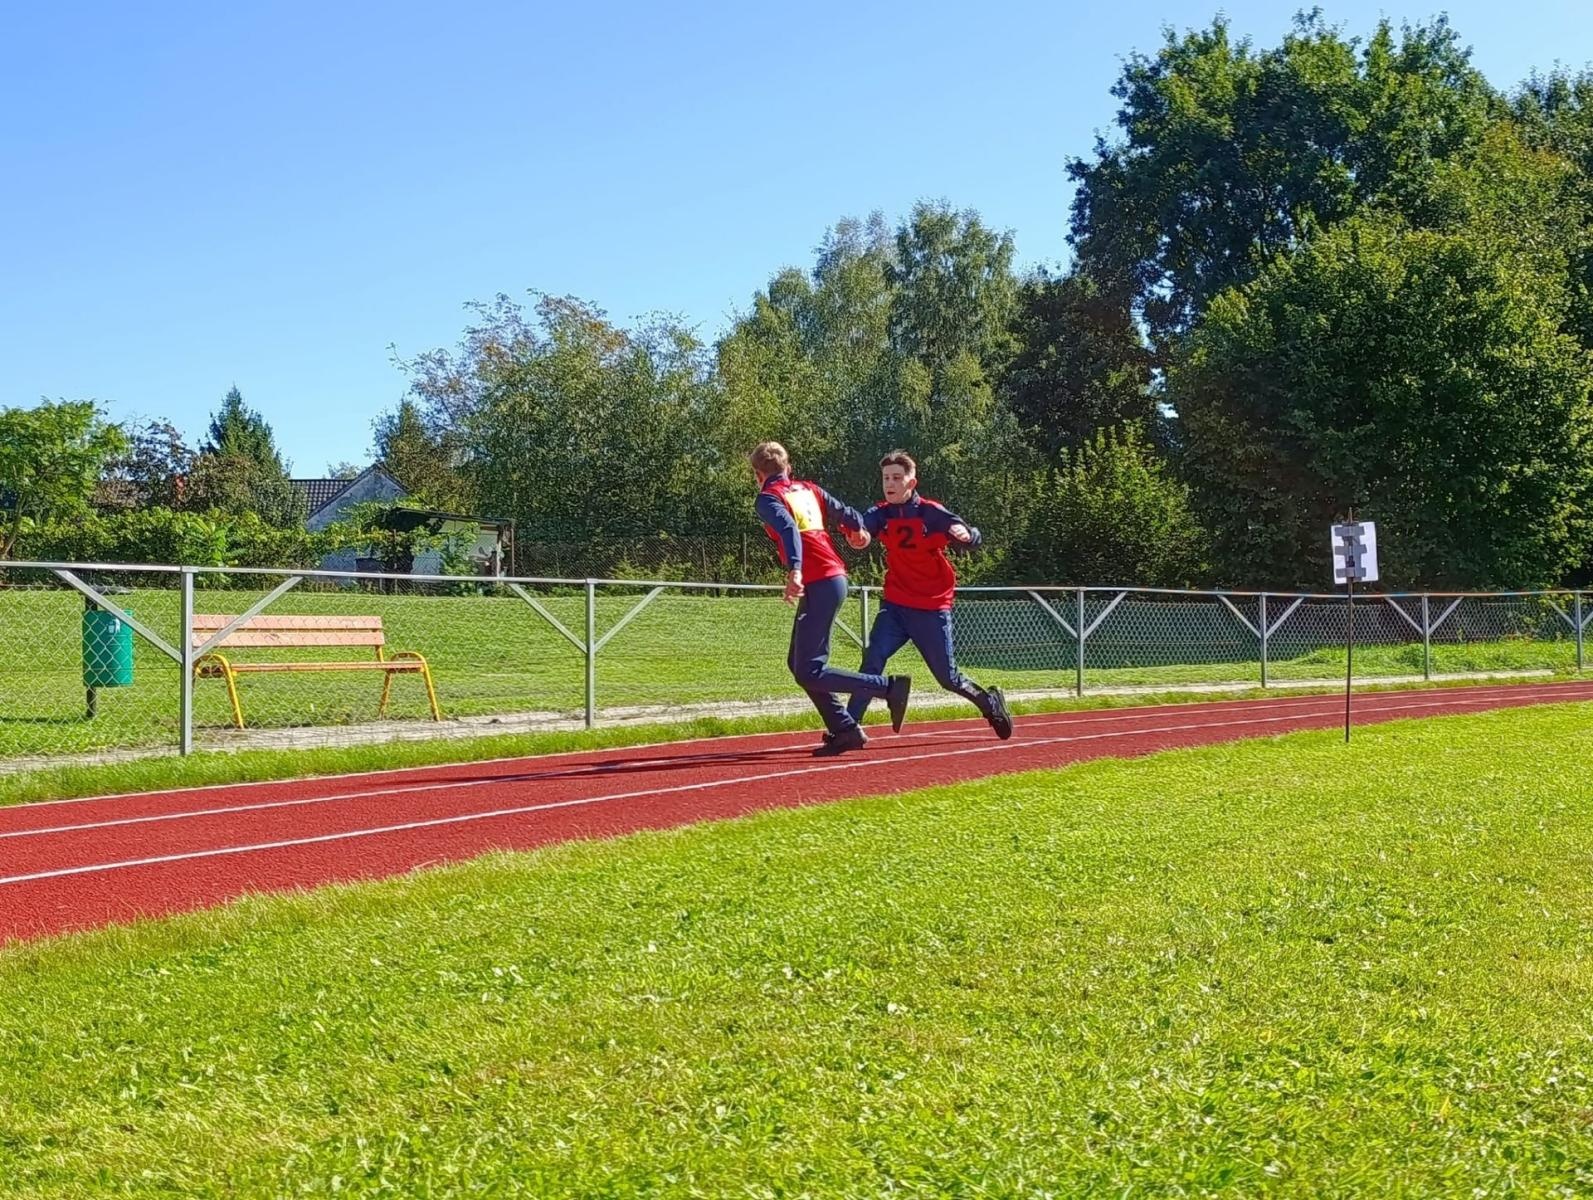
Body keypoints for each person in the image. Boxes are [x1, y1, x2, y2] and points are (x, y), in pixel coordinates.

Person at [751, 441, 912, 756]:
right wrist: (858, 529)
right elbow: (846, 512)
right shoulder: (808, 488)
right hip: (828, 580)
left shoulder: (768, 498)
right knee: (799, 664)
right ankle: (845, 729)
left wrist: (795, 570)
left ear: (758, 474)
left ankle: (888, 688)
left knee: (810, 669)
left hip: (821, 581)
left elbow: (788, 531)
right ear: (788, 468)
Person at [846, 450, 1013, 739]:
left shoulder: (930, 511)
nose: (891, 483)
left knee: (948, 678)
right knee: (872, 661)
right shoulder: (880, 513)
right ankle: (847, 727)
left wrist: (965, 534)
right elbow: (864, 530)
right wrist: (860, 538)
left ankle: (990, 703)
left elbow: (970, 534)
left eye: (897, 478)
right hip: (896, 604)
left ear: (911, 483)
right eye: (886, 478)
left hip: (932, 606)